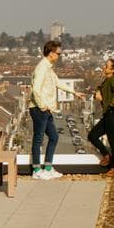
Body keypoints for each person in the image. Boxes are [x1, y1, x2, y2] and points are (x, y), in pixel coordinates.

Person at [28, 39, 63, 179]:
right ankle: (36, 170)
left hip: (46, 109)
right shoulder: (42, 68)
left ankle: (48, 167)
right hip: (39, 109)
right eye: (58, 53)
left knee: (54, 137)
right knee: (38, 139)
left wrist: (75, 93)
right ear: (50, 53)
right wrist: (42, 106)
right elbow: (36, 90)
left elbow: (58, 83)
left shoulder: (48, 68)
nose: (59, 56)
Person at [88, 58, 114, 171]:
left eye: (106, 66)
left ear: (113, 70)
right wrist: (97, 93)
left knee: (113, 143)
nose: (104, 67)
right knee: (92, 136)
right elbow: (99, 89)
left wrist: (110, 104)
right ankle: (106, 155)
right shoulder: (107, 80)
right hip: (108, 115)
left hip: (112, 115)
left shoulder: (113, 79)